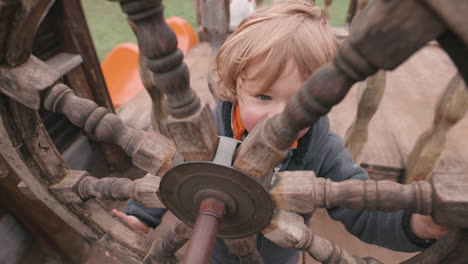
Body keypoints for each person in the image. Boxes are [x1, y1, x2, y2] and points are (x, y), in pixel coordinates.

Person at [114, 1, 447, 263]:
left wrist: (417, 226)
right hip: (215, 252)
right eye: (263, 97)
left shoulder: (322, 149)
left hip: (279, 256)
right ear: (234, 89)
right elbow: (169, 176)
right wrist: (139, 218)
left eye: (301, 102)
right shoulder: (206, 134)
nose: (280, 117)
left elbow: (360, 206)